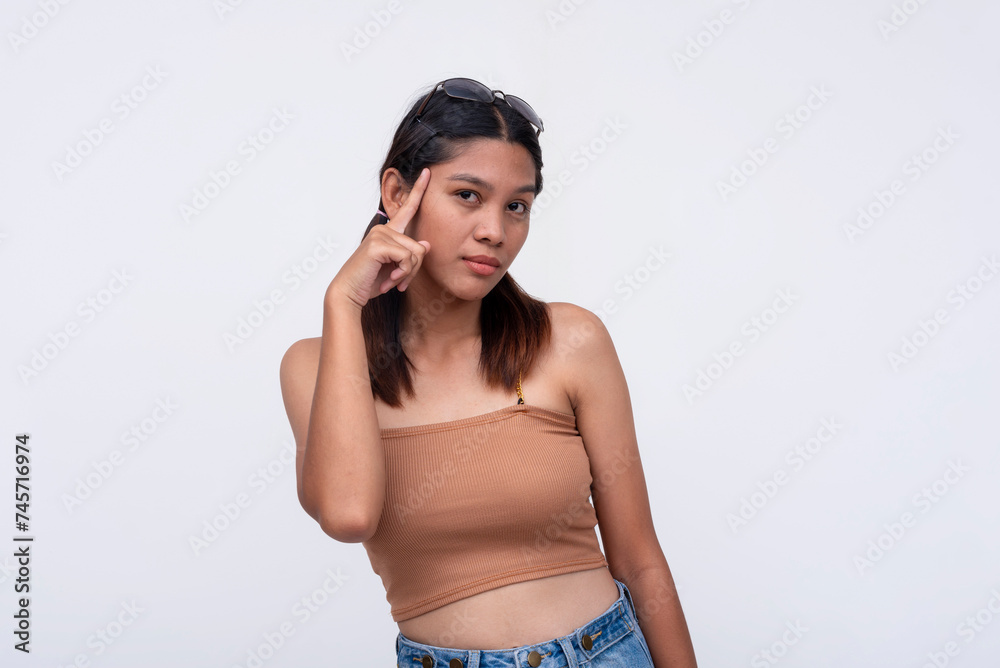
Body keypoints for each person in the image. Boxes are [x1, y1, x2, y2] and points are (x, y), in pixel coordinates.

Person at [279, 77, 697, 667]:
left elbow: (638, 558)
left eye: (516, 206)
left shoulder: (570, 341)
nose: (495, 232)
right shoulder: (312, 366)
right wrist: (344, 304)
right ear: (397, 193)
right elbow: (349, 514)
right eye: (468, 195)